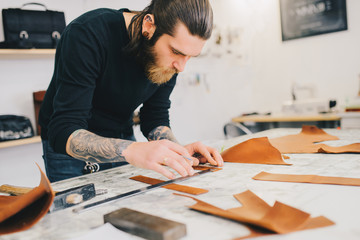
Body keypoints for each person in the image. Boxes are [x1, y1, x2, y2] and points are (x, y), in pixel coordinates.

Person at [39, 0, 223, 183]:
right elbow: (63, 130)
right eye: (176, 51)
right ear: (149, 26)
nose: (181, 66)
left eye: (190, 56)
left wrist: (180, 152)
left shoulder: (171, 62)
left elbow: (154, 116)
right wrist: (133, 150)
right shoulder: (87, 33)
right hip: (71, 148)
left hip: (122, 138)